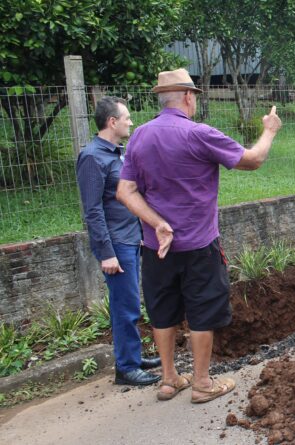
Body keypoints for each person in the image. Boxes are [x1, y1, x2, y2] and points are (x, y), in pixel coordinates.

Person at [117, 68, 282, 403]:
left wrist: (157, 222)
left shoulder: (139, 136)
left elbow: (125, 190)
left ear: (162, 99)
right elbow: (253, 160)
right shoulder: (199, 134)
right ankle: (202, 383)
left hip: (155, 247)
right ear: (189, 97)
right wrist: (269, 131)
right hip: (199, 245)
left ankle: (168, 380)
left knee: (162, 311)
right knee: (202, 312)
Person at [76, 96, 161, 386]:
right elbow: (92, 210)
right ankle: (125, 368)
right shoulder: (92, 157)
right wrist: (106, 253)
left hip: (131, 238)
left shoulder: (116, 153)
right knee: (125, 306)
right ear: (112, 122)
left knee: (132, 303)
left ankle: (133, 356)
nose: (131, 122)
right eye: (126, 118)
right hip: (116, 245)